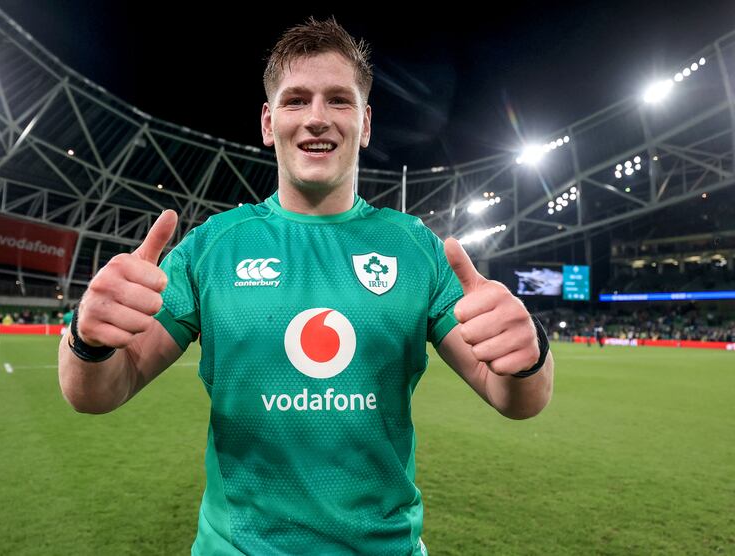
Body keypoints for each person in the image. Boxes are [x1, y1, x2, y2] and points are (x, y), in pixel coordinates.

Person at [57, 17, 554, 555]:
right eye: (296, 101)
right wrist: (89, 338)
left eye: (338, 100)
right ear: (269, 122)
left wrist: (527, 355)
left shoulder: (416, 248)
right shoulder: (214, 245)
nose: (317, 118)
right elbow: (98, 392)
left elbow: (515, 398)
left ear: (365, 123)